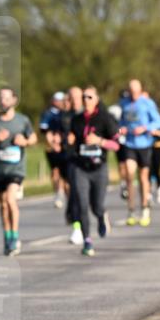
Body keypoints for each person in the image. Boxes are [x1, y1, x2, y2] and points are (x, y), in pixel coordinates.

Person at [0, 87, 37, 256]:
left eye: (6, 98)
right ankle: (7, 236)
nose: (2, 101)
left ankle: (14, 236)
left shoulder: (22, 121)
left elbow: (34, 138)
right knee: (3, 204)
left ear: (14, 100)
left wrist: (25, 141)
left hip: (16, 169)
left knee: (10, 200)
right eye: (0, 98)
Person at [66, 86, 120, 256]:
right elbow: (73, 141)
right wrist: (69, 141)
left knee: (96, 205)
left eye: (89, 97)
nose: (85, 100)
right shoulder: (76, 120)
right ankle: (87, 241)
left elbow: (117, 144)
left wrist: (99, 141)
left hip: (99, 168)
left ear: (97, 99)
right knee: (81, 204)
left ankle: (101, 215)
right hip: (80, 167)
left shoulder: (106, 119)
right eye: (83, 97)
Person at [118, 79, 160, 227]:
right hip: (130, 143)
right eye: (131, 92)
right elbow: (120, 122)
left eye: (136, 92)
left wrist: (145, 128)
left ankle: (145, 209)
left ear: (140, 90)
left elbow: (159, 122)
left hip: (144, 144)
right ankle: (131, 210)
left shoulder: (147, 103)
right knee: (130, 175)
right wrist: (122, 128)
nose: (133, 95)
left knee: (144, 177)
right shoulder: (124, 103)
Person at [40, 91, 68, 209]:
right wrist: (52, 143)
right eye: (57, 100)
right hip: (52, 146)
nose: (59, 103)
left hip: (64, 146)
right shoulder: (48, 114)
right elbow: (44, 130)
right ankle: (58, 193)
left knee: (66, 174)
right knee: (55, 171)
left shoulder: (66, 113)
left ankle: (67, 195)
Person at [64, 86, 85, 244]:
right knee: (75, 193)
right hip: (72, 159)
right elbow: (53, 132)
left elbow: (115, 130)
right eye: (72, 97)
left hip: (91, 161)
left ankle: (99, 212)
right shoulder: (63, 116)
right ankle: (77, 228)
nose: (75, 100)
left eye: (78, 97)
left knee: (92, 198)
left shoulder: (91, 114)